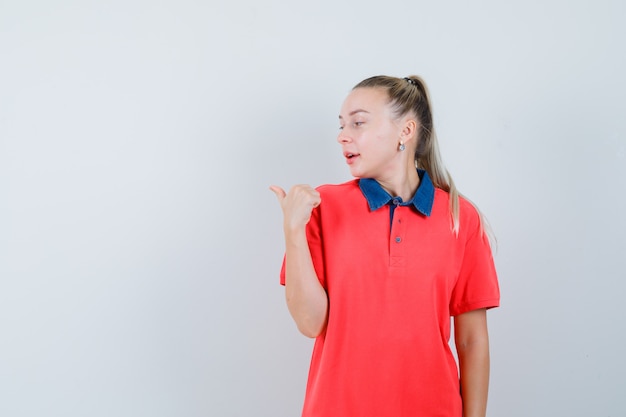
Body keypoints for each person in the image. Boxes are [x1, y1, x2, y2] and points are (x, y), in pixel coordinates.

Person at [270, 75, 500, 417]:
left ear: (405, 132)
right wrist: (293, 231)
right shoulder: (324, 206)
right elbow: (310, 323)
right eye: (342, 125)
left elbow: (471, 341)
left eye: (358, 122)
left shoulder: (460, 217)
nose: (342, 135)